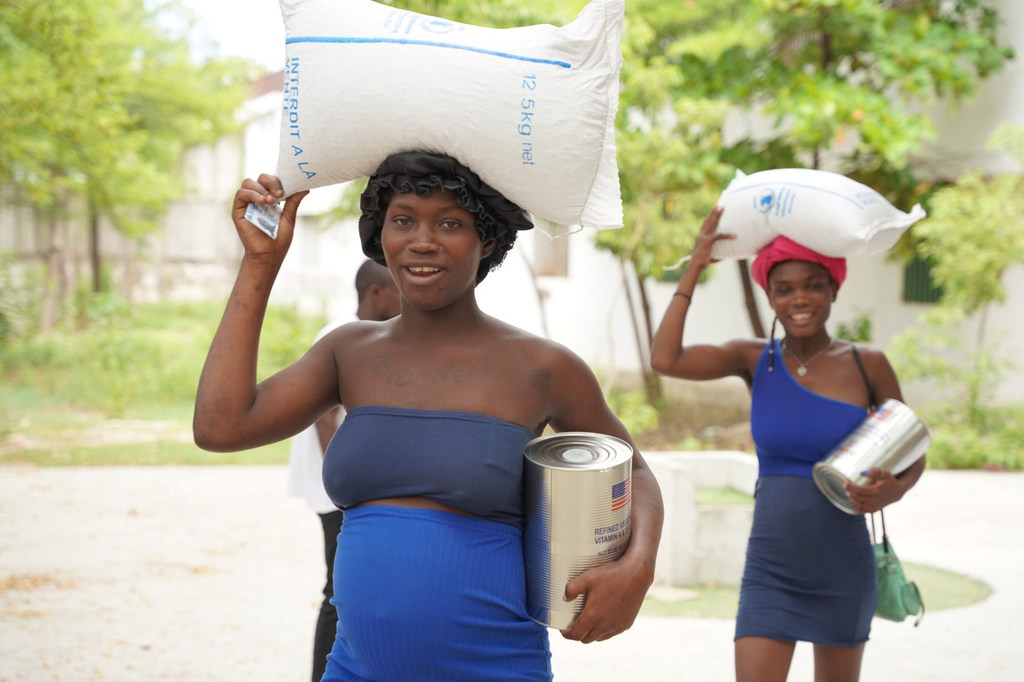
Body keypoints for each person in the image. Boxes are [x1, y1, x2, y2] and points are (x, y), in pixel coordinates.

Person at [194, 151, 664, 681]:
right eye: (403, 220)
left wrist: (638, 567)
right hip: (354, 670)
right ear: (380, 235)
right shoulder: (347, 353)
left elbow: (636, 474)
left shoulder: (541, 366)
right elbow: (221, 426)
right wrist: (261, 264)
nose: (422, 240)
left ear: (486, 241)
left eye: (450, 223)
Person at [650, 206, 926, 682]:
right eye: (785, 289)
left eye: (813, 285)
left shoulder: (867, 364)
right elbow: (665, 359)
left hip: (843, 567)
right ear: (771, 297)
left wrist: (893, 490)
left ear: (834, 289)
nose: (800, 298)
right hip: (771, 569)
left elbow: (912, 449)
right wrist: (694, 267)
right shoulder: (753, 359)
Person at [287, 259, 400, 682]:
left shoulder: (376, 337)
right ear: (376, 292)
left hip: (348, 490)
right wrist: (345, 489)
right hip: (336, 493)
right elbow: (323, 419)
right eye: (398, 288)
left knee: (355, 592)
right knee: (338, 596)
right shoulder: (340, 335)